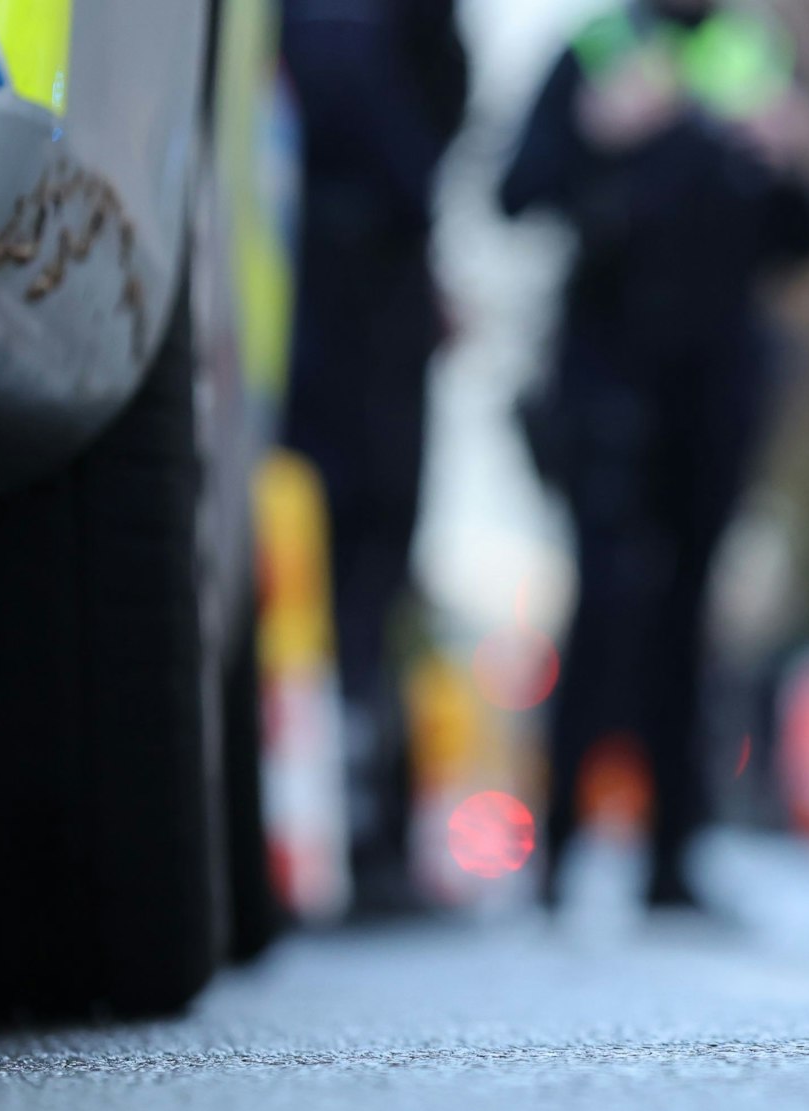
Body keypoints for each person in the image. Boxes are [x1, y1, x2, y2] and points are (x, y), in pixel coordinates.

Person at [500, 0, 809, 910]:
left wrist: (791, 161)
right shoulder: (594, 55)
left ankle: (672, 860)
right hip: (607, 376)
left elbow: (808, 237)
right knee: (606, 604)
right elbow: (517, 191)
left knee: (690, 610)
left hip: (717, 383)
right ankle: (558, 849)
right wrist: (596, 136)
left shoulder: (759, 58)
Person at [281, 0, 469, 913]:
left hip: (345, 294)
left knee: (354, 581)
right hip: (346, 308)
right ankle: (356, 835)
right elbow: (406, 123)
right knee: (351, 576)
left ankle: (359, 830)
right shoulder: (351, 27)